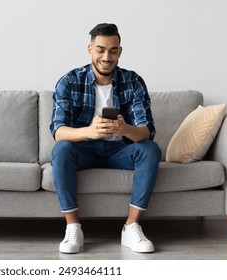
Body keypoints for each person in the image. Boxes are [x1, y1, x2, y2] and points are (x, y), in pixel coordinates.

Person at [50, 23, 161, 254]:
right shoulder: (69, 81)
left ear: (120, 51)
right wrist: (88, 132)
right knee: (61, 150)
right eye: (100, 49)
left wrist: (125, 129)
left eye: (113, 50)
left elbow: (146, 130)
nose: (106, 56)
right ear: (90, 49)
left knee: (150, 149)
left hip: (120, 150)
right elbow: (58, 131)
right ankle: (73, 227)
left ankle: (131, 226)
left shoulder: (133, 81)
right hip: (84, 150)